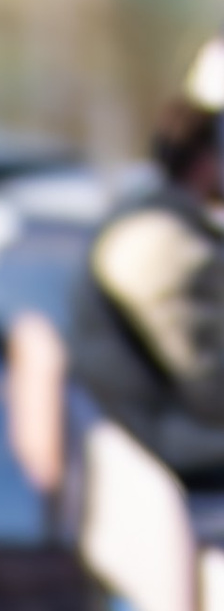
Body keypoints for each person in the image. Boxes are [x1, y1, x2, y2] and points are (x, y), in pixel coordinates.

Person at [70, 94, 224, 486]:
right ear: (207, 160)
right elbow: (210, 386)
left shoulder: (159, 224)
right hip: (176, 455)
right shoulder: (160, 240)